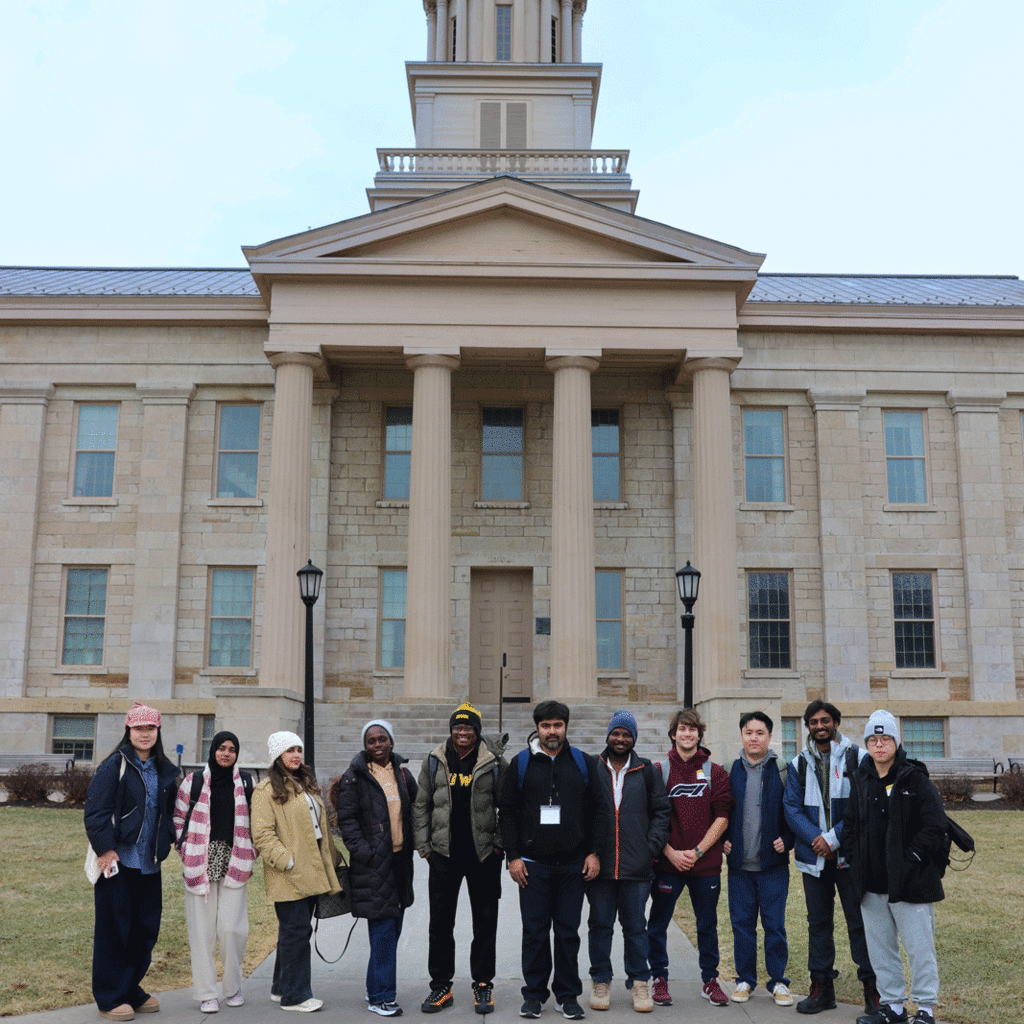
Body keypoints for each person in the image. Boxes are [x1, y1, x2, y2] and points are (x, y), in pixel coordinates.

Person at [499, 699, 608, 1021]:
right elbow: (507, 813)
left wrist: (594, 852)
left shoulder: (583, 763)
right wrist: (513, 857)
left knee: (567, 933)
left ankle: (567, 995)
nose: (552, 731)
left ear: (566, 727)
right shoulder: (520, 764)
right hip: (532, 866)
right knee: (534, 932)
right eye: (546, 725)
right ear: (537, 728)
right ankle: (533, 996)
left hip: (574, 866)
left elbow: (599, 811)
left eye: (557, 725)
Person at [841, 711, 947, 1024]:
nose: (879, 745)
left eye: (885, 738)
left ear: (895, 741)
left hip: (911, 883)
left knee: (919, 948)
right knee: (881, 950)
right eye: (873, 740)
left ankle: (925, 1007)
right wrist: (852, 858)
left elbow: (935, 824)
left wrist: (912, 858)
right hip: (871, 884)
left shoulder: (914, 778)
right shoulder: (861, 778)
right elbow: (850, 824)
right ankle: (893, 1007)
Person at [84, 702, 180, 1022]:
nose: (144, 734)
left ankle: (130, 987)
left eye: (150, 728)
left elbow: (171, 814)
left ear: (158, 730)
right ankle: (110, 996)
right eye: (139, 728)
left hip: (150, 863)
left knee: (144, 930)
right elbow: (96, 813)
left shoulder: (164, 769)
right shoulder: (115, 766)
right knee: (116, 930)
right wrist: (105, 851)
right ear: (129, 729)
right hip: (119, 862)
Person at [413, 702, 507, 1015]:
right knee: (440, 923)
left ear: (477, 731)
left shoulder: (492, 762)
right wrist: (424, 846)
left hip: (483, 856)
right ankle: (441, 986)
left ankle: (483, 984)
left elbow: (508, 806)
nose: (462, 732)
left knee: (485, 922)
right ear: (451, 729)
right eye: (458, 727)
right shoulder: (435, 760)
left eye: (468, 727)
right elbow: (421, 805)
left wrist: (498, 844)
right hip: (443, 854)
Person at [783, 701, 878, 1016]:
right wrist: (816, 839)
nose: (819, 726)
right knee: (818, 923)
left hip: (850, 857)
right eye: (813, 722)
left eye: (825, 720)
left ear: (836, 722)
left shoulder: (858, 758)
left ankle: (873, 996)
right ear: (807, 726)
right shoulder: (799, 763)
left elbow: (863, 805)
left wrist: (834, 838)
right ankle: (822, 990)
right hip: (814, 859)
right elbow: (792, 809)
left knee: (859, 924)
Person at [646, 708, 733, 1009]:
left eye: (692, 729)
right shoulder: (659, 771)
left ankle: (710, 981)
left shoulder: (715, 772)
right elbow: (652, 819)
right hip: (668, 864)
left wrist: (696, 853)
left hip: (705, 865)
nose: (687, 734)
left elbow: (722, 818)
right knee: (658, 925)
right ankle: (659, 979)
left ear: (699, 733)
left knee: (707, 924)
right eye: (682, 729)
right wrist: (670, 852)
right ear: (673, 734)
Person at [251, 731, 343, 1014]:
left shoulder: (305, 785)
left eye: (298, 750)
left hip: (313, 869)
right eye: (289, 750)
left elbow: (320, 828)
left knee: (293, 932)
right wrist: (286, 861)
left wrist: (334, 859)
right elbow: (263, 835)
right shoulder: (266, 790)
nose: (295, 755)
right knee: (296, 932)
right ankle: (296, 996)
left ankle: (281, 988)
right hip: (289, 873)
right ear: (277, 755)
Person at [586, 710, 669, 1014]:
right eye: (616, 733)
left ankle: (640, 982)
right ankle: (600, 980)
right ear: (608, 735)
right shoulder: (592, 767)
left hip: (637, 867)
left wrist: (650, 848)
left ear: (634, 738)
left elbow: (662, 813)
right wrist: (589, 852)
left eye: (627, 734)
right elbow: (583, 813)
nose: (620, 739)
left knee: (635, 927)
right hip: (601, 867)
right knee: (600, 926)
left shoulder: (647, 770)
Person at [335, 719, 418, 1018]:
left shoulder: (402, 774)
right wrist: (365, 852)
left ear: (391, 741)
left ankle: (375, 990)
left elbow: (416, 810)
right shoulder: (354, 778)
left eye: (382, 738)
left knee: (391, 931)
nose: (378, 744)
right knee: (383, 932)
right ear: (365, 745)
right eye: (371, 740)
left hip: (399, 863)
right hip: (372, 865)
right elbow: (347, 821)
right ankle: (382, 997)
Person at [174, 730, 257, 1014]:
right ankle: (207, 993)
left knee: (232, 930)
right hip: (200, 861)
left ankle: (232, 987)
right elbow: (178, 818)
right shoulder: (194, 781)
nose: (226, 753)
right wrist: (185, 848)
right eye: (221, 748)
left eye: (231, 749)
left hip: (236, 861)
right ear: (213, 751)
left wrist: (252, 850)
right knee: (202, 933)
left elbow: (256, 821)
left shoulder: (246, 781)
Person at [724, 711, 795, 1006]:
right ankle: (745, 980)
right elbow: (719, 812)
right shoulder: (729, 770)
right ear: (742, 735)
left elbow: (794, 810)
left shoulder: (783, 770)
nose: (754, 737)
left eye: (760, 732)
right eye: (749, 732)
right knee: (742, 926)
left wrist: (788, 840)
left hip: (773, 868)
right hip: (739, 867)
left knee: (774, 925)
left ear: (769, 736)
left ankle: (778, 981)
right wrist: (722, 841)